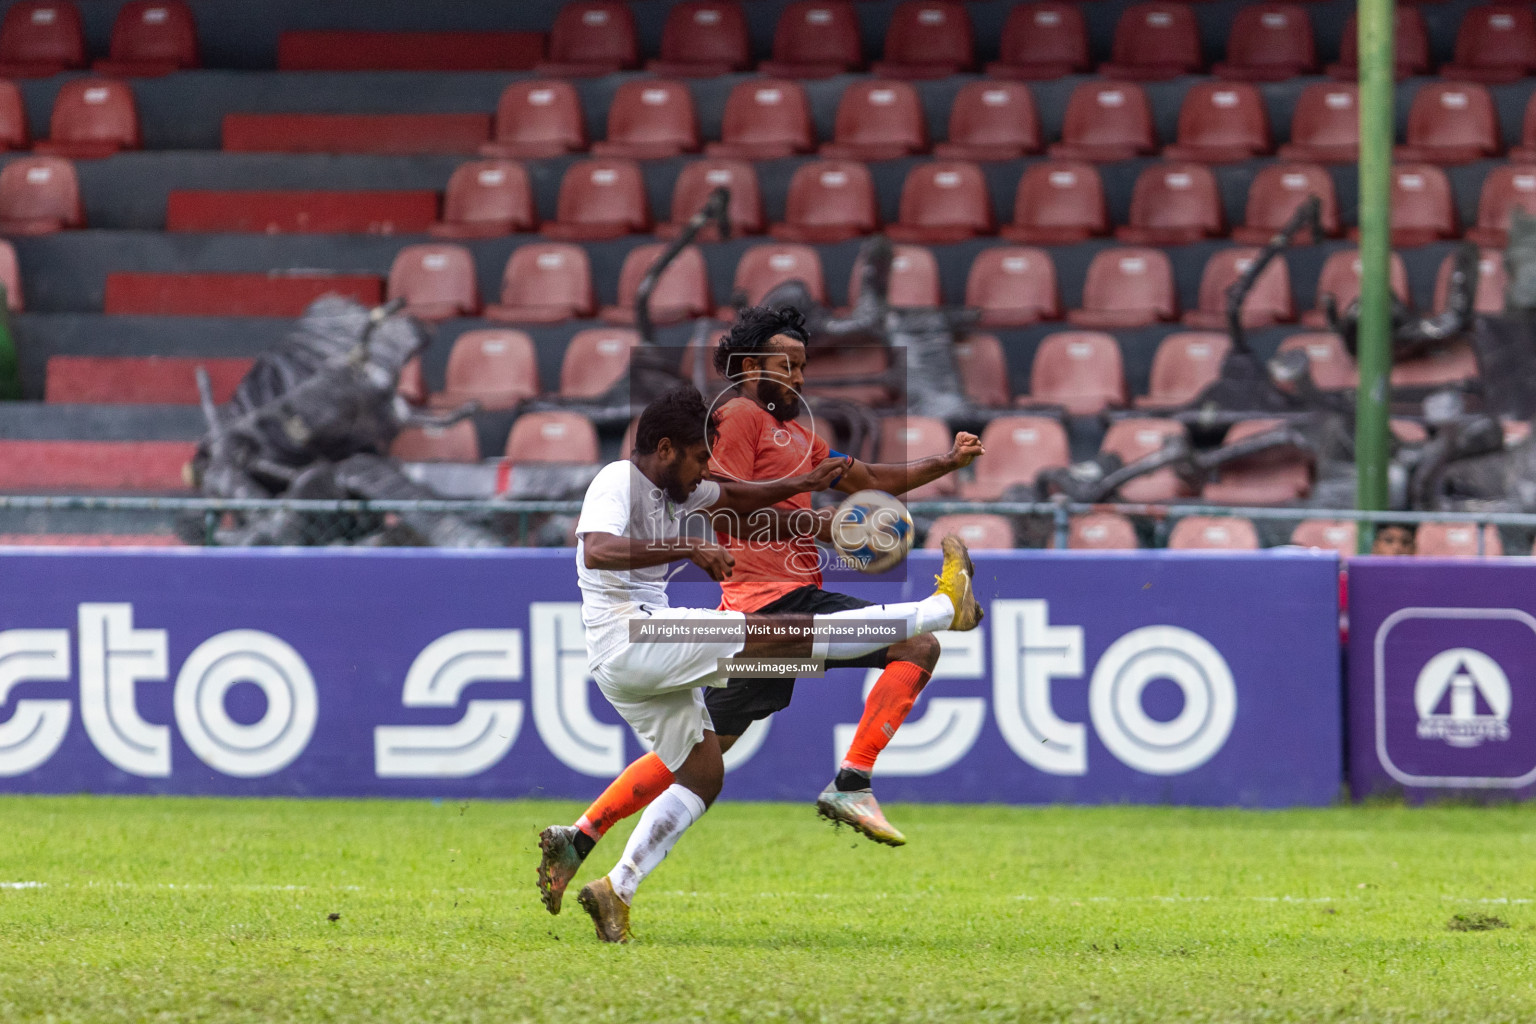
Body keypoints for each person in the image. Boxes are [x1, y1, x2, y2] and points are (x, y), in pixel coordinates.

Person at [550, 383, 984, 943]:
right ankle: (940, 609)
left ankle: (617, 888)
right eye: (700, 456)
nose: (706, 467)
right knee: (791, 636)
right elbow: (595, 550)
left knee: (703, 775)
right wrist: (688, 547)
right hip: (633, 634)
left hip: (636, 659)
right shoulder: (618, 480)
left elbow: (741, 507)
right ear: (664, 449)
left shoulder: (677, 492)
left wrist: (811, 509)